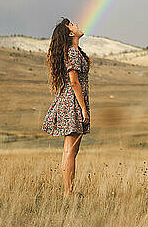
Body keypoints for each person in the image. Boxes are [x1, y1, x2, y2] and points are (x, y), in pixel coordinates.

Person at [42, 17, 91, 196]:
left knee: (69, 150)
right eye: (72, 25)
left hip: (70, 101)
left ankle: (68, 191)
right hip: (73, 103)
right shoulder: (72, 53)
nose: (76, 24)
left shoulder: (73, 52)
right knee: (71, 150)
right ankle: (68, 192)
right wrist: (83, 108)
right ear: (71, 33)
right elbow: (74, 82)